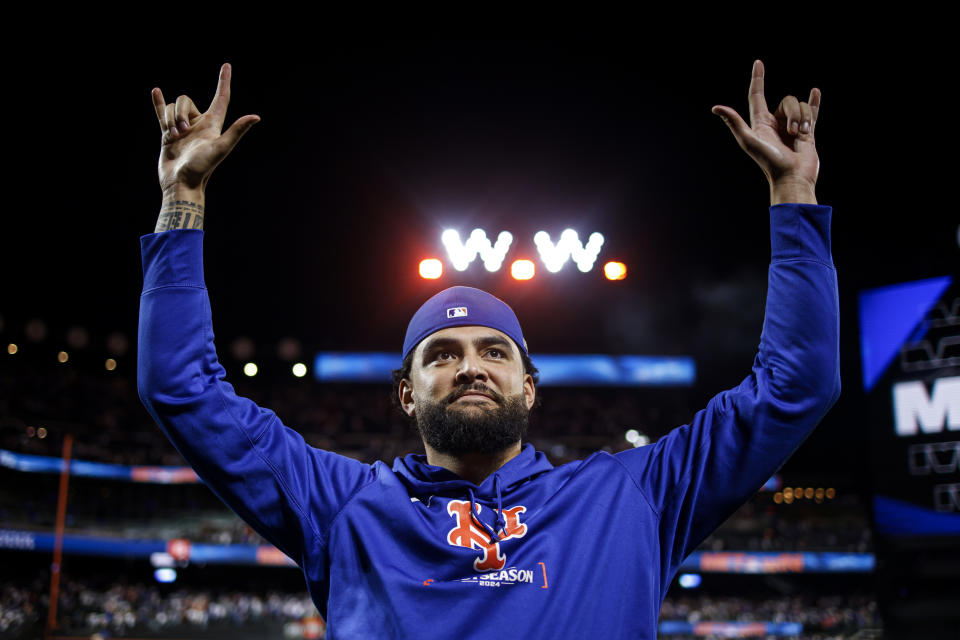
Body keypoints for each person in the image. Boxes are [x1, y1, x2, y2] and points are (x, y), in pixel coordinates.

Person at [138, 61, 839, 638]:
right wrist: (184, 197)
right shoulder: (342, 505)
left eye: (494, 352)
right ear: (406, 390)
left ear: (530, 387)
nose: (470, 364)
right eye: (441, 353)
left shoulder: (628, 496)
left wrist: (794, 192)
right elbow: (181, 388)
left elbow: (796, 385)